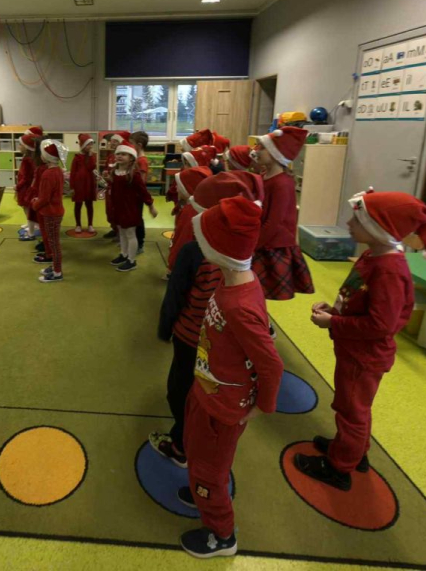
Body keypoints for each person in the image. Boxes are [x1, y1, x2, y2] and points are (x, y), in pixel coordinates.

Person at [295, 190, 426, 490]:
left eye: (357, 221)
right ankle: (354, 451)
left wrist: (333, 322)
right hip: (353, 349)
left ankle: (339, 467)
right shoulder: (373, 255)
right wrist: (334, 310)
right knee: (354, 407)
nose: (349, 224)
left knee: (352, 411)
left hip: (364, 357)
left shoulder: (389, 270)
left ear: (378, 229)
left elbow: (381, 324)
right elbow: (359, 299)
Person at [177, 194, 284, 559]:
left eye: (203, 239)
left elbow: (271, 363)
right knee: (195, 453)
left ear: (218, 250)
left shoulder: (239, 304)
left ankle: (221, 535)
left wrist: (262, 406)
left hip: (223, 409)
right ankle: (200, 490)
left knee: (211, 471)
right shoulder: (234, 281)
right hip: (206, 390)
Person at [150, 172, 265, 474]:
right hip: (221, 347)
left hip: (191, 339)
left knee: (180, 390)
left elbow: (175, 295)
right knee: (203, 393)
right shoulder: (245, 251)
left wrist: (165, 327)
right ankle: (194, 439)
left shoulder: (192, 251)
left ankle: (181, 444)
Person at [250, 126, 314, 300]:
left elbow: (274, 222)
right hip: (261, 240)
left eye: (262, 147)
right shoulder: (264, 176)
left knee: (259, 291)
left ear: (275, 153)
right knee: (254, 291)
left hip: (271, 245)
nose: (256, 151)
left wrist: (252, 246)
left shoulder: (282, 183)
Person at [107, 142, 157, 272]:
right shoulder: (115, 172)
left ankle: (131, 260)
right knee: (122, 232)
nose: (119, 156)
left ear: (131, 158)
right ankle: (124, 254)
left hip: (130, 209)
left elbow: (143, 191)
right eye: (118, 153)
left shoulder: (134, 174)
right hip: (118, 208)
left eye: (123, 154)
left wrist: (151, 206)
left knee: (130, 233)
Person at [31, 140, 67, 284]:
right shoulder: (58, 171)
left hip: (51, 213)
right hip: (56, 210)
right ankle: (54, 267)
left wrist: (35, 204)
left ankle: (57, 272)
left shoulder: (48, 174)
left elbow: (45, 198)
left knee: (54, 244)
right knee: (53, 243)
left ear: (47, 157)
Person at [166, 166, 213, 275]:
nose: (176, 188)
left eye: (179, 185)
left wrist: (172, 264)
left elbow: (182, 241)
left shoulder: (189, 212)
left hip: (186, 266)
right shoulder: (200, 207)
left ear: (188, 189)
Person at [102, 131, 130, 239]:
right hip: (109, 188)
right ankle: (114, 229)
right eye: (111, 141)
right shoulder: (110, 156)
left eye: (115, 141)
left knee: (118, 211)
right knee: (109, 210)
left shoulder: (124, 158)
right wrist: (105, 173)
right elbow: (106, 168)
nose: (112, 143)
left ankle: (120, 233)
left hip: (119, 189)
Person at [70, 133, 97, 234]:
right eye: (88, 144)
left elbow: (92, 167)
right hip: (79, 185)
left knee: (89, 204)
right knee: (78, 204)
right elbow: (73, 172)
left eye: (91, 144)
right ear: (83, 145)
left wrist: (90, 157)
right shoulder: (77, 157)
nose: (90, 146)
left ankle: (90, 224)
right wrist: (72, 186)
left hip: (89, 183)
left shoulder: (92, 156)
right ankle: (78, 224)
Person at [16, 132, 40, 241]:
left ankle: (33, 225)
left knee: (27, 206)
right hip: (27, 186)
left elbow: (26, 177)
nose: (19, 146)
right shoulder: (29, 157)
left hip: (26, 187)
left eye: (20, 145)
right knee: (27, 206)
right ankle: (31, 223)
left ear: (26, 147)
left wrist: (17, 186)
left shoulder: (27, 160)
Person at [130, 131, 150, 254]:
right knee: (133, 218)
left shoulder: (142, 161)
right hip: (133, 195)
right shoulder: (137, 159)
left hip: (137, 195)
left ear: (139, 145)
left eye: (132, 143)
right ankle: (133, 241)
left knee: (137, 219)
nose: (130, 146)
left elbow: (141, 182)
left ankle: (140, 244)